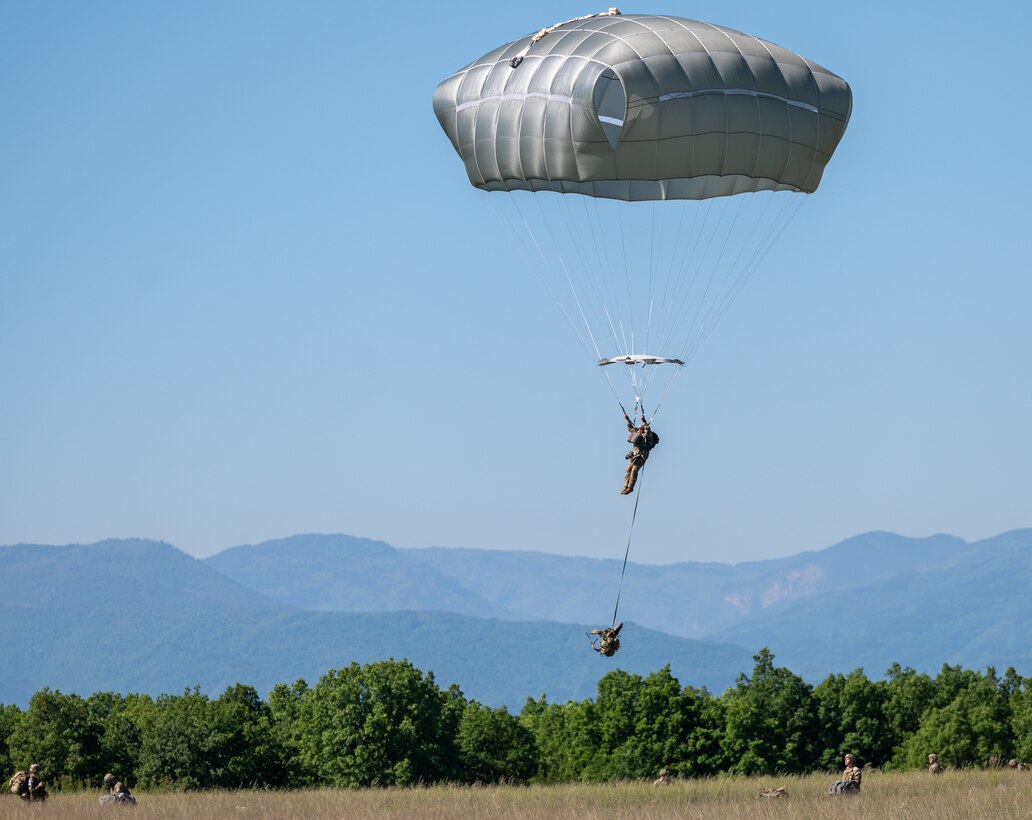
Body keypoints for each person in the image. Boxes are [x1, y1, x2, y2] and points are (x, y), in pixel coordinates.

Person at [621, 412, 659, 495]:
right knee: (628, 469)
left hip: (642, 455)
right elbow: (631, 428)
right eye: (639, 429)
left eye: (641, 429)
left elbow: (648, 428)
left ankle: (630, 488)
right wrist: (627, 419)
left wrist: (644, 421)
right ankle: (625, 485)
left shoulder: (648, 435)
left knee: (634, 470)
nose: (639, 431)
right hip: (634, 454)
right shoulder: (637, 432)